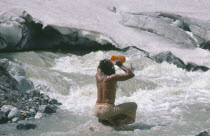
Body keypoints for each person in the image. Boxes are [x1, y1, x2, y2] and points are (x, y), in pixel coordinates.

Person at [94, 59, 137, 126]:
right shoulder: (112, 77)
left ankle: (105, 119)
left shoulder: (97, 76)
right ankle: (115, 123)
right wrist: (120, 65)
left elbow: (100, 67)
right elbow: (131, 74)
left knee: (111, 109)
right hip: (107, 110)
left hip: (96, 110)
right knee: (133, 105)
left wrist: (105, 61)